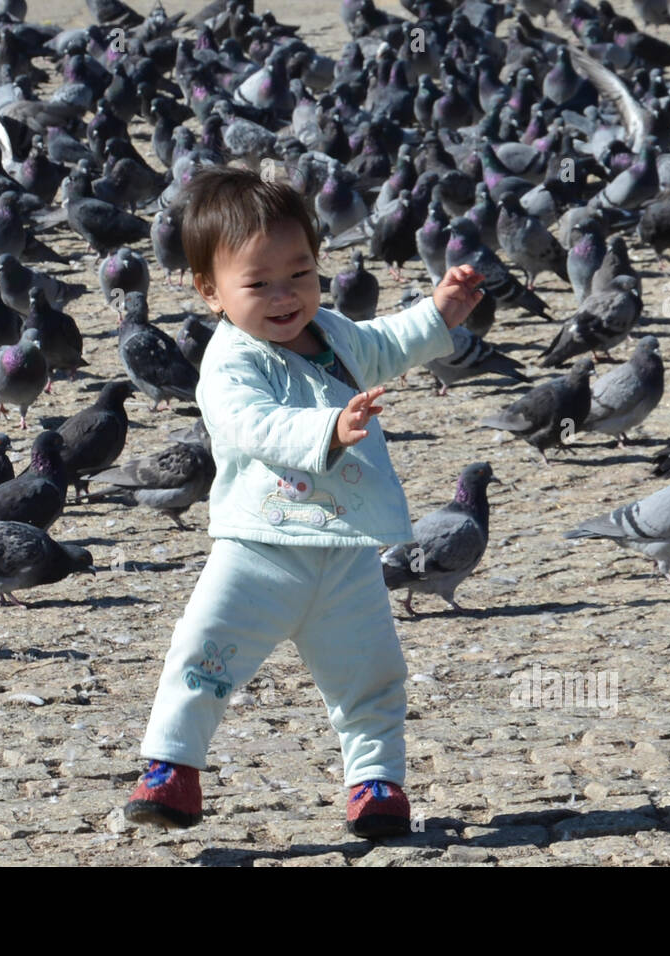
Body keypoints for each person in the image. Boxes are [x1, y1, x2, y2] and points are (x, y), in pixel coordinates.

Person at [124, 165, 485, 837]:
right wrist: (328, 431)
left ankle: (376, 784)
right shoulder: (231, 362)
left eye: (301, 274)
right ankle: (172, 770)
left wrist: (438, 315)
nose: (286, 296)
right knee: (201, 655)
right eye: (258, 284)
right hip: (259, 551)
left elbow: (386, 342)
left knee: (372, 674)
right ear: (210, 292)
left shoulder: (337, 335)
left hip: (347, 553)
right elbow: (250, 424)